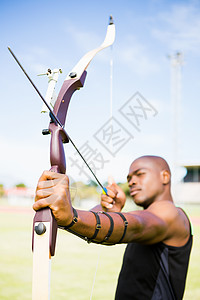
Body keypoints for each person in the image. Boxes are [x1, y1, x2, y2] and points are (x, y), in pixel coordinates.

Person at [33, 155, 192, 300]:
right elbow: (99, 226)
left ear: (165, 176)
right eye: (129, 178)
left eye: (140, 174)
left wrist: (72, 216)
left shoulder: (172, 214)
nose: (132, 182)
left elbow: (136, 225)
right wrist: (107, 210)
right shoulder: (152, 215)